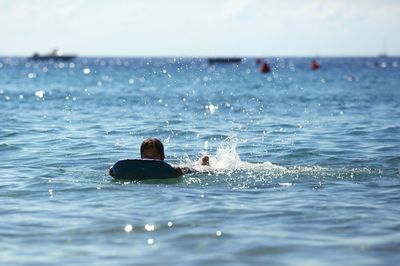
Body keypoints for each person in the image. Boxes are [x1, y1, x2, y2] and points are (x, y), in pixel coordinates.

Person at [109, 138, 209, 177]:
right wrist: (113, 171)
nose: (150, 159)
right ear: (141, 157)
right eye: (146, 156)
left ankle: (202, 163)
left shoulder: (167, 168)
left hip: (182, 170)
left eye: (154, 156)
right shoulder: (139, 168)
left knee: (192, 168)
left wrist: (178, 174)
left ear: (162, 157)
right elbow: (114, 170)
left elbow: (178, 172)